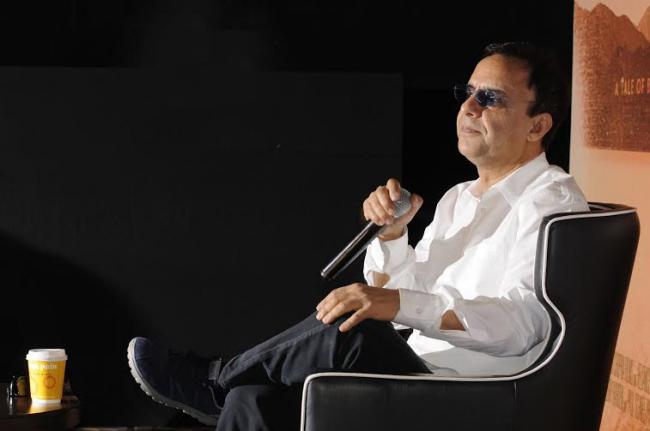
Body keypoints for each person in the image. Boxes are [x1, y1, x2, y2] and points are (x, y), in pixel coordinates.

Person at [127, 41, 588, 429]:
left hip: (478, 395)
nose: (468, 108)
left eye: (490, 98)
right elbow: (408, 304)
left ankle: (216, 379)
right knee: (251, 401)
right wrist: (392, 238)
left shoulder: (551, 201)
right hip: (420, 372)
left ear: (538, 124)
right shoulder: (459, 197)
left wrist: (395, 304)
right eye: (467, 93)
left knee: (356, 327)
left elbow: (525, 326)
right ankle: (226, 386)